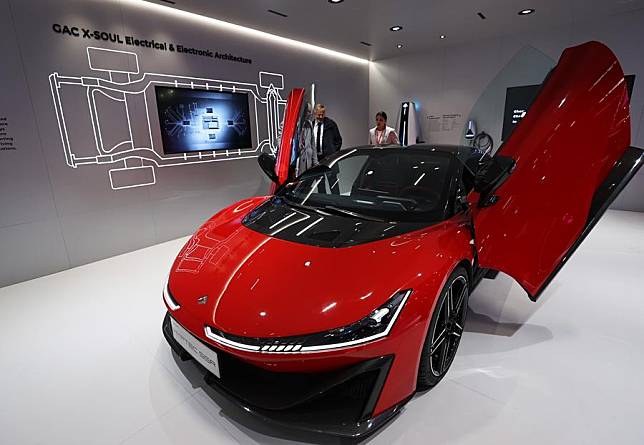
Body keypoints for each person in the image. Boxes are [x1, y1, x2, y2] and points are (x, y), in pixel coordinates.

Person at [313, 104, 342, 193]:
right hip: (317, 160)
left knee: (333, 183)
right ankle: (322, 204)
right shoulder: (312, 125)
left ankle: (337, 203)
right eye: (319, 114)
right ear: (315, 113)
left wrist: (333, 153)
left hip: (329, 159)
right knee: (320, 184)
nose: (321, 116)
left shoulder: (331, 124)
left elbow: (338, 140)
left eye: (322, 114)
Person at [296, 103, 317, 176]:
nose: (309, 114)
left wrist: (315, 162)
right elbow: (280, 138)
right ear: (303, 111)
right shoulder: (294, 123)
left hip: (308, 161)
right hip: (297, 160)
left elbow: (313, 144)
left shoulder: (309, 124)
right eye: (308, 111)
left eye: (310, 112)